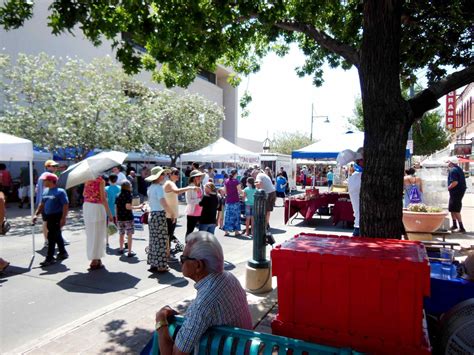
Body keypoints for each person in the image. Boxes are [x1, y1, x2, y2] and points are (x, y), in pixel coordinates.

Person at [155, 232, 252, 354]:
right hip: (242, 348)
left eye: (183, 258)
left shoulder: (204, 304)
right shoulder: (228, 277)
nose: (180, 262)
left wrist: (160, 319)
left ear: (198, 265)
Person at [33, 173, 69, 267]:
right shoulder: (45, 191)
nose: (43, 182)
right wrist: (35, 215)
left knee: (51, 236)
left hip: (57, 216)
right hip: (48, 216)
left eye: (45, 180)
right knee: (57, 235)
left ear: (51, 181)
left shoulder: (60, 192)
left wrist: (63, 218)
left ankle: (50, 258)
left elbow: (65, 205)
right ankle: (63, 252)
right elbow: (42, 204)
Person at [146, 166, 173, 273]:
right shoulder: (158, 188)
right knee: (161, 240)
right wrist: (172, 213)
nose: (164, 176)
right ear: (158, 176)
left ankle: (153, 263)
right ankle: (161, 265)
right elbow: (163, 203)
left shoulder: (150, 188)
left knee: (153, 240)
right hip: (159, 215)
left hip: (152, 215)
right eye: (162, 174)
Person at [83, 175, 113, 270]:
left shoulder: (86, 179)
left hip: (87, 207)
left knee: (91, 234)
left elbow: (84, 194)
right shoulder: (101, 180)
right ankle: (95, 259)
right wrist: (110, 214)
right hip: (97, 207)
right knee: (99, 234)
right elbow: (103, 199)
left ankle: (94, 258)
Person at [164, 168, 196, 255]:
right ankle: (167, 255)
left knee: (169, 235)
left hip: (171, 214)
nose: (178, 175)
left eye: (178, 173)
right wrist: (189, 187)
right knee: (168, 236)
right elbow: (177, 191)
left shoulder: (171, 183)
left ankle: (167, 254)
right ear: (170, 174)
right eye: (176, 173)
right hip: (169, 214)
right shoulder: (170, 183)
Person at [36, 160, 60, 247]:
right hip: (48, 202)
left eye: (56, 166)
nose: (55, 167)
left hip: (44, 202)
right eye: (53, 166)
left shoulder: (43, 176)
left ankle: (49, 239)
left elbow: (37, 189)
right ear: (47, 167)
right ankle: (47, 240)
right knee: (47, 222)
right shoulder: (48, 176)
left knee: (47, 222)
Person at [446, 158, 467, 233]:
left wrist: (448, 188)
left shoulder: (453, 170)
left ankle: (461, 227)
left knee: (456, 209)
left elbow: (455, 182)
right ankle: (454, 225)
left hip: (456, 192)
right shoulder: (458, 169)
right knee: (452, 208)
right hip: (458, 191)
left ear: (451, 162)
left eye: (448, 162)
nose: (447, 163)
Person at [221, 169, 243, 237]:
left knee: (227, 216)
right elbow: (240, 191)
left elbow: (225, 191)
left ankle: (226, 231)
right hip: (235, 200)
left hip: (228, 200)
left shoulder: (226, 181)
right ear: (235, 174)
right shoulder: (236, 181)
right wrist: (244, 193)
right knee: (236, 216)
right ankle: (236, 231)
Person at [348, 149, 363, 237]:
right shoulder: (357, 177)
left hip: (359, 225)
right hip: (361, 226)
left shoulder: (354, 176)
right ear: (360, 161)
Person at [185, 170, 204, 236]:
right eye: (197, 176)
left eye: (200, 176)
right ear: (193, 178)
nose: (199, 178)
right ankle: (187, 245)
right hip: (192, 213)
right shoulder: (190, 187)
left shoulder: (200, 186)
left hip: (200, 212)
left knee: (202, 230)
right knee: (190, 230)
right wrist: (200, 200)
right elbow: (188, 201)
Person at [105, 174, 121, 246]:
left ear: (109, 180)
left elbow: (105, 200)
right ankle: (122, 241)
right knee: (120, 226)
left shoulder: (106, 189)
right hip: (118, 211)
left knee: (107, 226)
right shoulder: (120, 188)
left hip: (108, 210)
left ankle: (107, 242)